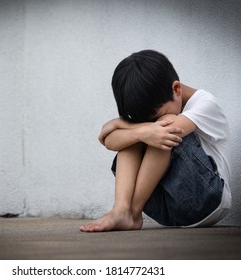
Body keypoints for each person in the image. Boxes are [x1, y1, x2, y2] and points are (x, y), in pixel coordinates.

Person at [80, 50, 231, 232]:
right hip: (166, 209)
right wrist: (138, 131)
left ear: (176, 89)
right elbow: (110, 141)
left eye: (154, 114)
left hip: (205, 199)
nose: (149, 123)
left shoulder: (206, 104)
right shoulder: (156, 110)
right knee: (139, 135)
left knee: (162, 128)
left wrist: (120, 123)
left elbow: (162, 131)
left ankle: (133, 213)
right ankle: (121, 210)